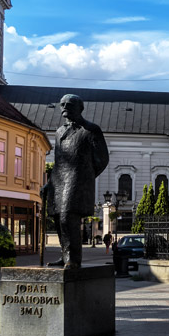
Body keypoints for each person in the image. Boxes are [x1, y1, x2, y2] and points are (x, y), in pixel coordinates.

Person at [42, 94, 109, 269]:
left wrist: (86, 177)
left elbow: (103, 159)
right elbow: (58, 162)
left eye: (69, 104)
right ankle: (65, 256)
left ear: (80, 108)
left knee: (67, 217)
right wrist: (49, 183)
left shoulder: (91, 130)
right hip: (58, 180)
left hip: (77, 180)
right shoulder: (59, 132)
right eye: (62, 104)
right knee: (58, 218)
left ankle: (73, 259)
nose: (64, 107)